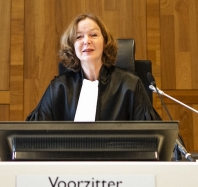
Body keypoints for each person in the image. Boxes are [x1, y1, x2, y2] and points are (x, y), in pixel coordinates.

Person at [27, 13, 160, 121]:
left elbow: (152, 135)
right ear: (72, 46)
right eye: (79, 37)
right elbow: (33, 135)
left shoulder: (130, 84)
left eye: (94, 35)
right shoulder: (58, 88)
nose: (86, 41)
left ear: (105, 42)